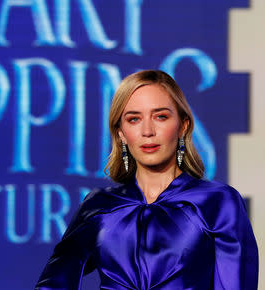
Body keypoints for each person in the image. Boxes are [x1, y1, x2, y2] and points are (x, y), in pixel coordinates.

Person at [35, 70, 258, 289]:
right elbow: (54, 282)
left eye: (160, 116)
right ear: (121, 133)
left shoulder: (217, 202)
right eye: (134, 119)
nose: (147, 130)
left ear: (183, 126)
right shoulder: (99, 205)